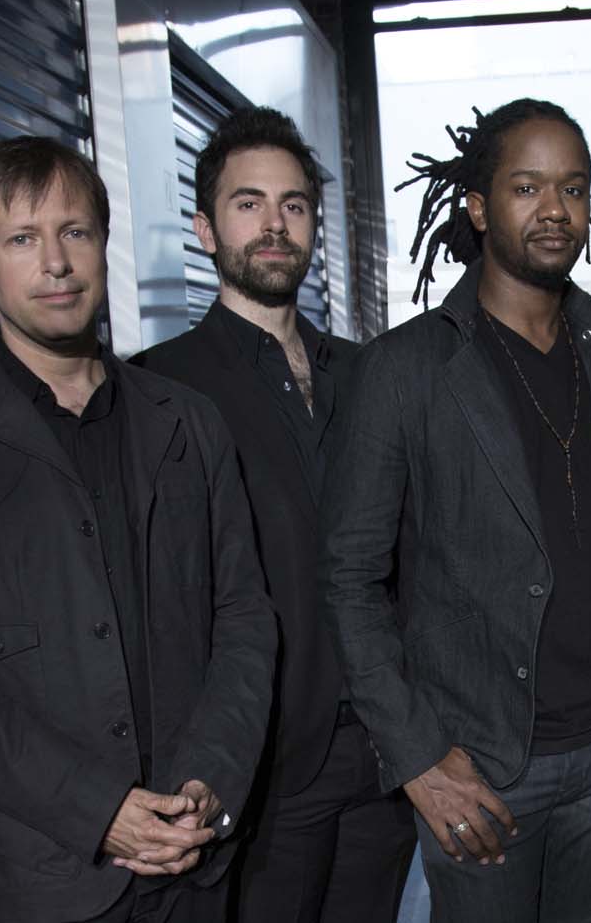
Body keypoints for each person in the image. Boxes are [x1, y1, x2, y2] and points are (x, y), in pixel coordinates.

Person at [0, 137, 278, 923]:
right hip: (33, 878)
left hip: (193, 862)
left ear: (103, 242)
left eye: (74, 232)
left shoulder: (187, 421)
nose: (56, 263)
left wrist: (211, 778)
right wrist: (97, 808)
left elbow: (244, 614)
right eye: (22, 238)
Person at [321, 98, 591, 923]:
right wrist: (419, 759)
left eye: (571, 189)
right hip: (481, 761)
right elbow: (348, 580)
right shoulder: (404, 369)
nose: (554, 210)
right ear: (480, 208)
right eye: (527, 188)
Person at [134, 106, 415, 923]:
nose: (274, 224)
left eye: (293, 205)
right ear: (204, 228)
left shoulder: (369, 373)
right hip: (260, 768)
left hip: (382, 755)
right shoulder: (157, 389)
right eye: (248, 203)